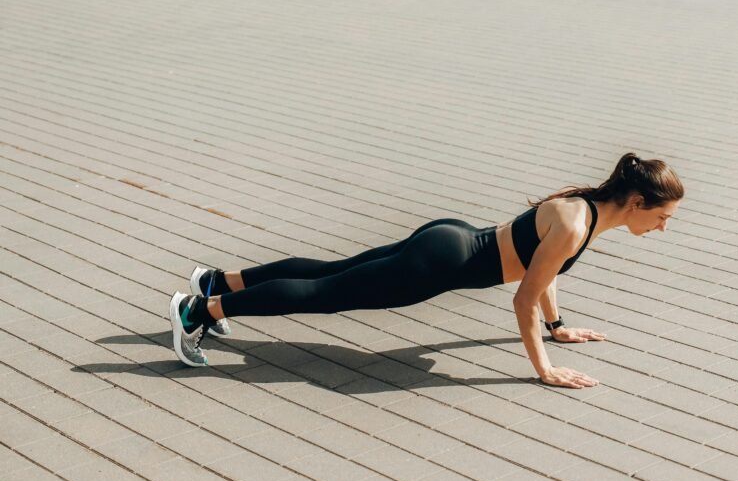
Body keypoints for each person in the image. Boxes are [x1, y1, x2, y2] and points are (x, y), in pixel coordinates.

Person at [169, 152, 684, 388]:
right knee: (323, 293)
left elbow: (541, 272)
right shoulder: (578, 226)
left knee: (332, 271)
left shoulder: (582, 206)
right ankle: (199, 310)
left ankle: (219, 281)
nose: (663, 229)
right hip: (439, 264)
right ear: (636, 201)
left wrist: (557, 327)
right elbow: (524, 296)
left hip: (449, 236)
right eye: (661, 218)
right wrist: (544, 368)